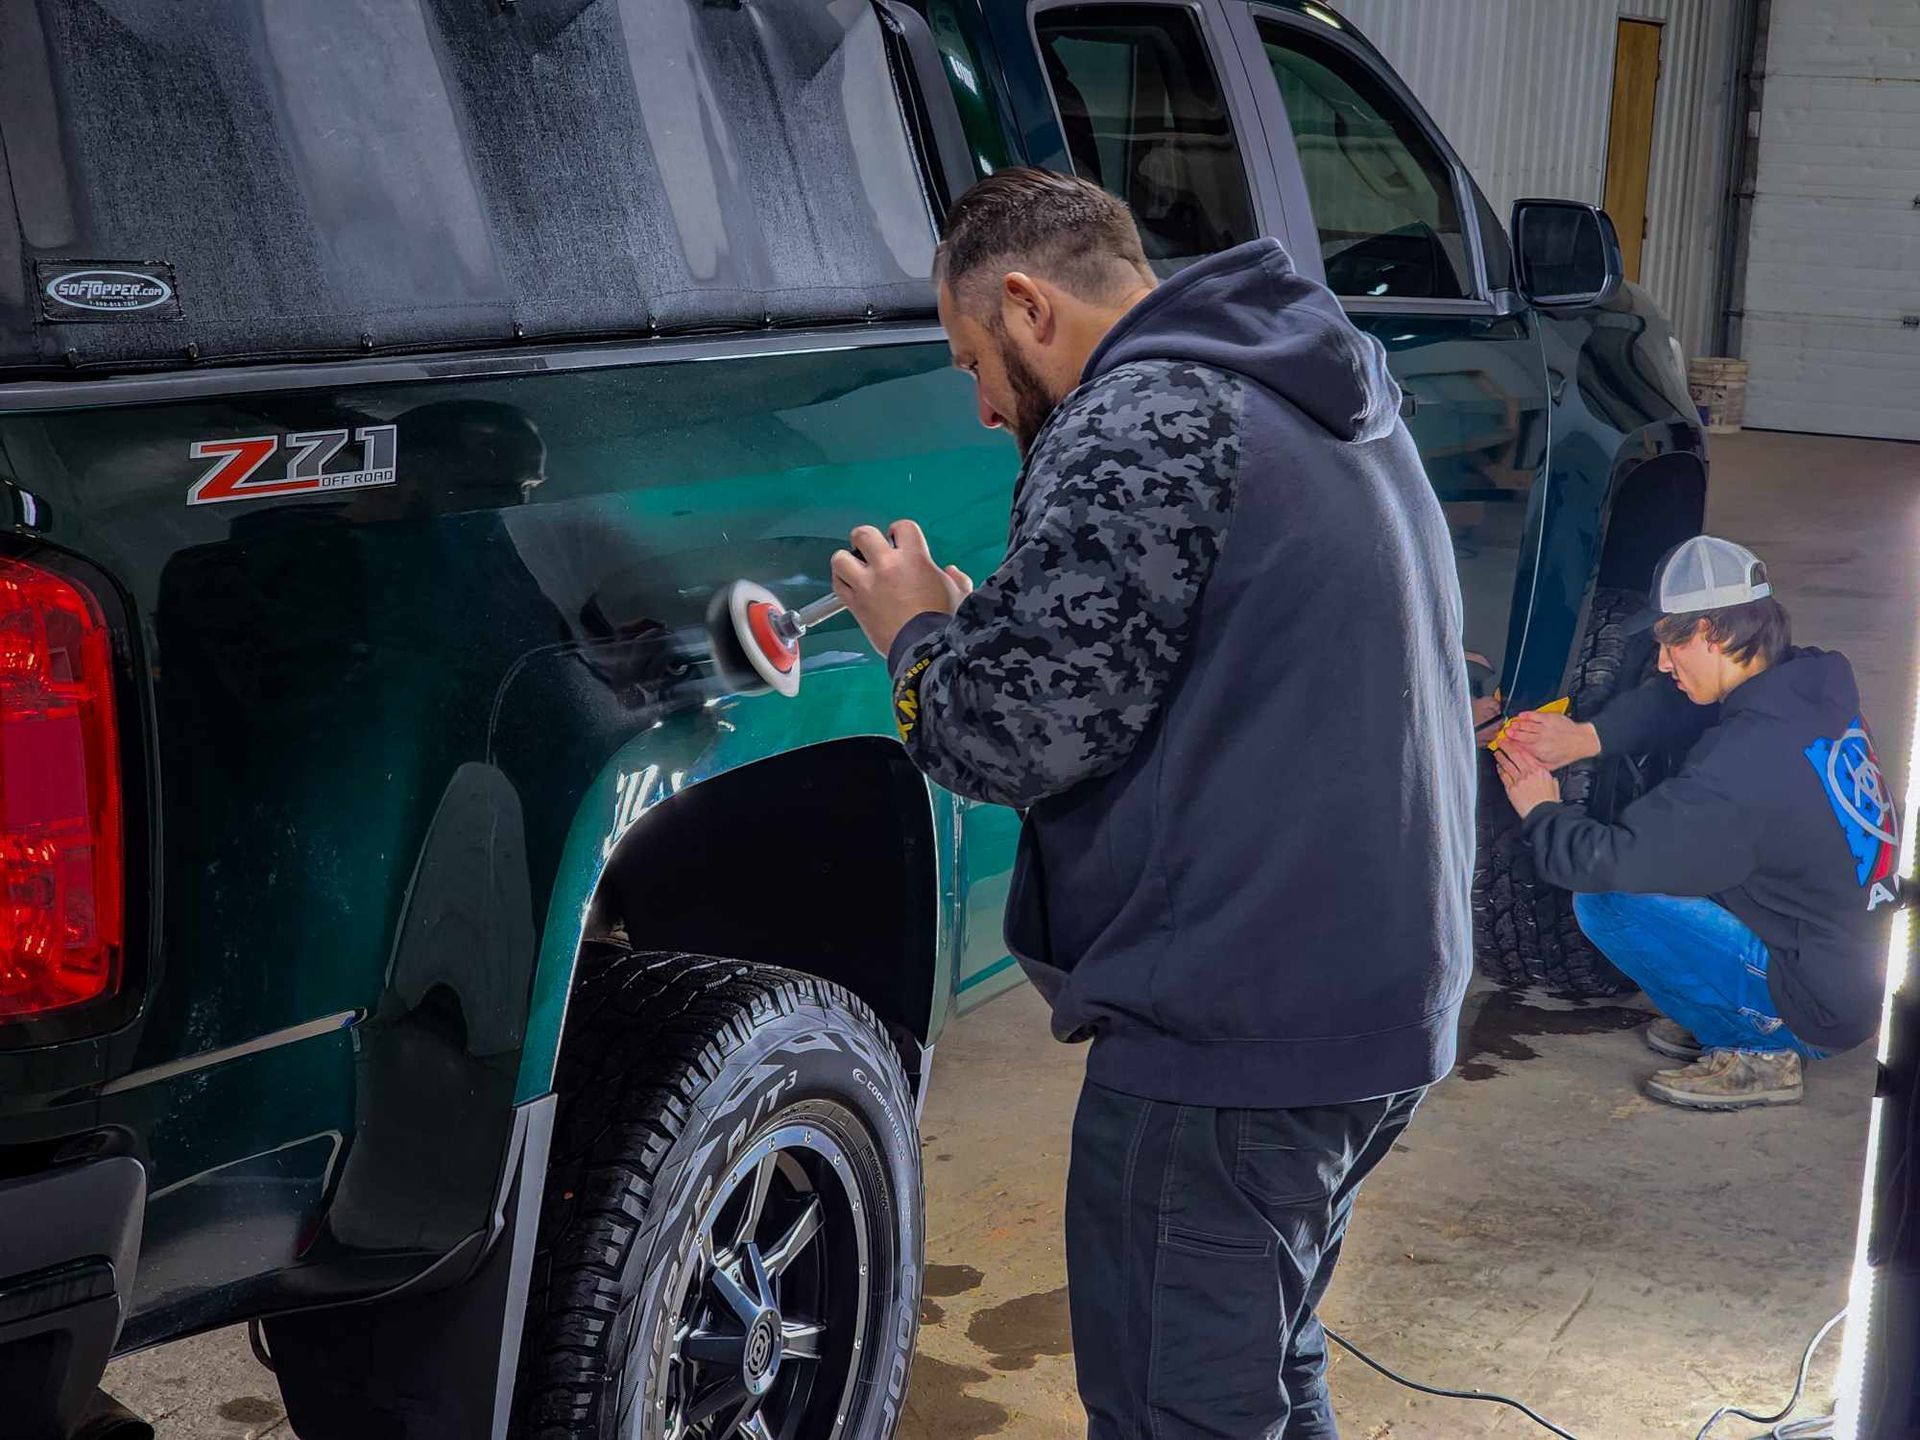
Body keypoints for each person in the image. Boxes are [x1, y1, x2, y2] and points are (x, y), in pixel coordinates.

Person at [830, 168, 1473, 1439]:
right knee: (1262, 1373)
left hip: (1235, 1030)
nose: (978, 403)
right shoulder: (1299, 384)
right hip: (1367, 996)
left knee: (1176, 1408)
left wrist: (913, 639)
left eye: (974, 359)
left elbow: (1011, 736)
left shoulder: (1144, 422)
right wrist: (991, 632)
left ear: (1027, 304)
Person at [1497, 535, 1900, 1110]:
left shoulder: (1743, 765)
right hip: (1846, 965)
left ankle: (1760, 1043)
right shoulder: (1807, 685)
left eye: (1671, 643)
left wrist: (1540, 807)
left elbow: (1611, 860)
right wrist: (1589, 738)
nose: (1662, 663)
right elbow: (1677, 700)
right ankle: (1735, 1010)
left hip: (1816, 1007)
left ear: (1713, 631)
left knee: (1608, 900)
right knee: (1675, 871)